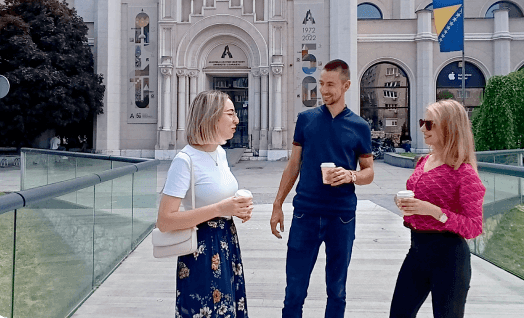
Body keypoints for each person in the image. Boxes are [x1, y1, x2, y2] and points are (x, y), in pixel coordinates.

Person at [270, 59, 374, 318]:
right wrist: (277, 205)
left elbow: (369, 172)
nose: (324, 90)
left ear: (346, 85)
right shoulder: (306, 120)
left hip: (342, 216)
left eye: (330, 84)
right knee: (294, 290)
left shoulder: (360, 126)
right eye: (321, 84)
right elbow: (293, 165)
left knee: (337, 290)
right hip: (305, 213)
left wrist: (350, 175)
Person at [157, 90, 254, 318]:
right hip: (200, 249)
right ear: (211, 117)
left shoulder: (220, 153)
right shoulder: (185, 160)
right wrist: (221, 209)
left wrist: (238, 209)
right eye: (230, 113)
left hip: (227, 242)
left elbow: (220, 199)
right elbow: (165, 220)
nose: (236, 120)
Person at [390, 99, 486, 318]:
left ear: (448, 127)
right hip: (416, 252)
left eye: (430, 124)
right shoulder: (424, 161)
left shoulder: (464, 173)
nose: (423, 128)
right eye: (423, 122)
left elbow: (474, 227)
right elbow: (421, 205)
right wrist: (407, 206)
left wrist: (433, 211)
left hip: (449, 259)